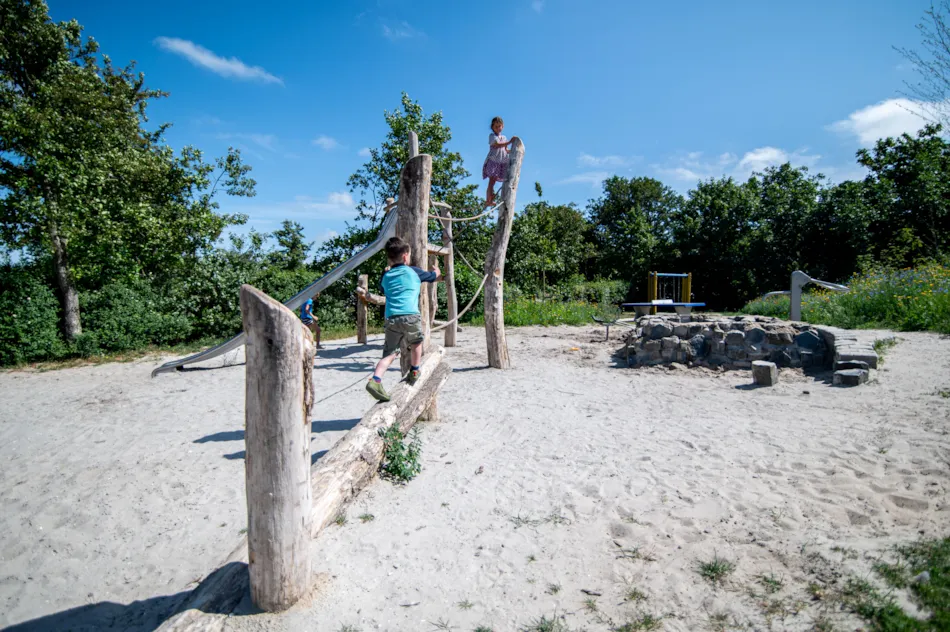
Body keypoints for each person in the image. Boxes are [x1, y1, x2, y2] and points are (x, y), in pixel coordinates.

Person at [366, 237, 442, 403]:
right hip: (410, 315)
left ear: (389, 257)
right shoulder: (413, 271)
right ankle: (415, 370)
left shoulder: (386, 276)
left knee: (390, 353)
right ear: (406, 256)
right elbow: (432, 277)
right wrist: (437, 271)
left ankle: (376, 380)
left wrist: (387, 271)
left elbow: (383, 288)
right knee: (416, 343)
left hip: (391, 317)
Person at [482, 116, 512, 207]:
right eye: (496, 126)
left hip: (501, 161)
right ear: (492, 127)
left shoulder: (504, 137)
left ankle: (491, 197)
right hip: (494, 160)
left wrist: (514, 150)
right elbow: (497, 144)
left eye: (499, 126)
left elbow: (506, 149)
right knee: (491, 180)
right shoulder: (492, 136)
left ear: (502, 126)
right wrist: (510, 141)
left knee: (494, 180)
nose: (498, 128)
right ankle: (488, 199)